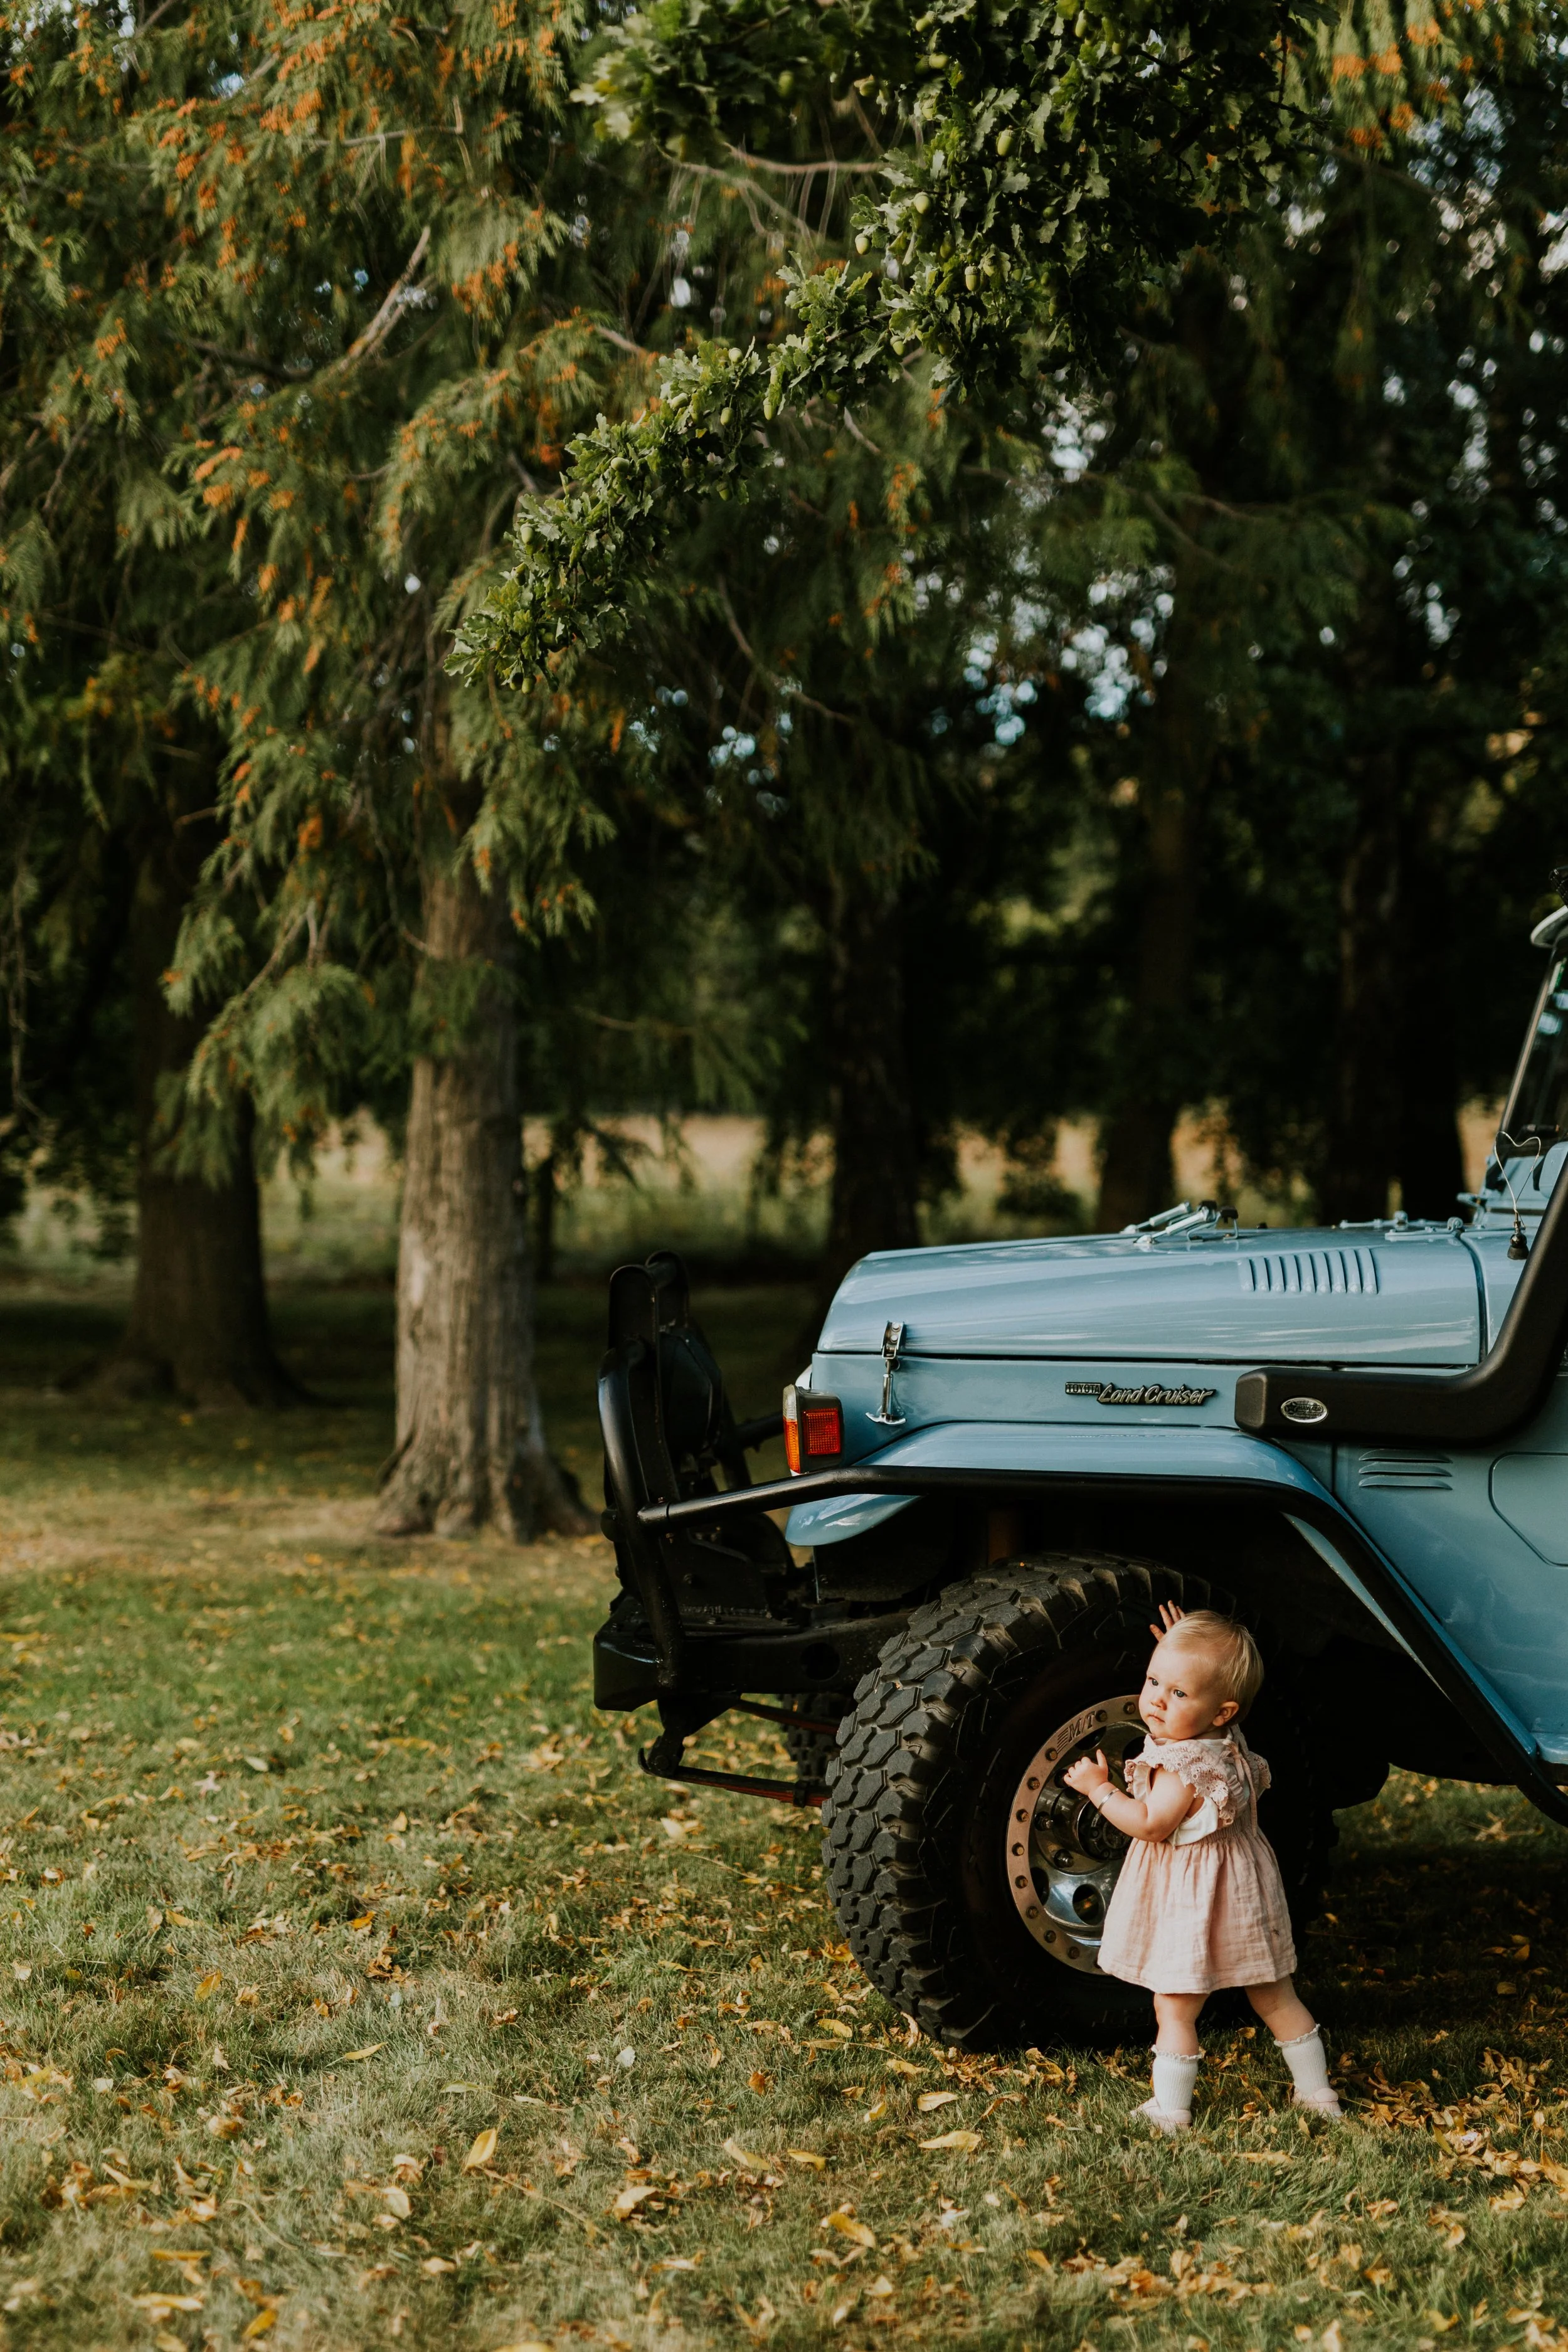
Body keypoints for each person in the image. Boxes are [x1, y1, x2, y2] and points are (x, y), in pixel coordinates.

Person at [1062, 1601, 1340, 2134]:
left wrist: (1098, 1790)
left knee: (1175, 2008)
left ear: (1223, 1712)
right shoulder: (1226, 1743)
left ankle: (1171, 2110)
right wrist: (1184, 1659)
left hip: (1193, 1903)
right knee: (1277, 1997)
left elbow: (1149, 1823)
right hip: (1244, 1893)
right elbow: (1197, 1687)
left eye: (1179, 1693)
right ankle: (1317, 2092)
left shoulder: (1181, 1767)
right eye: (1154, 1681)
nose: (1158, 1701)